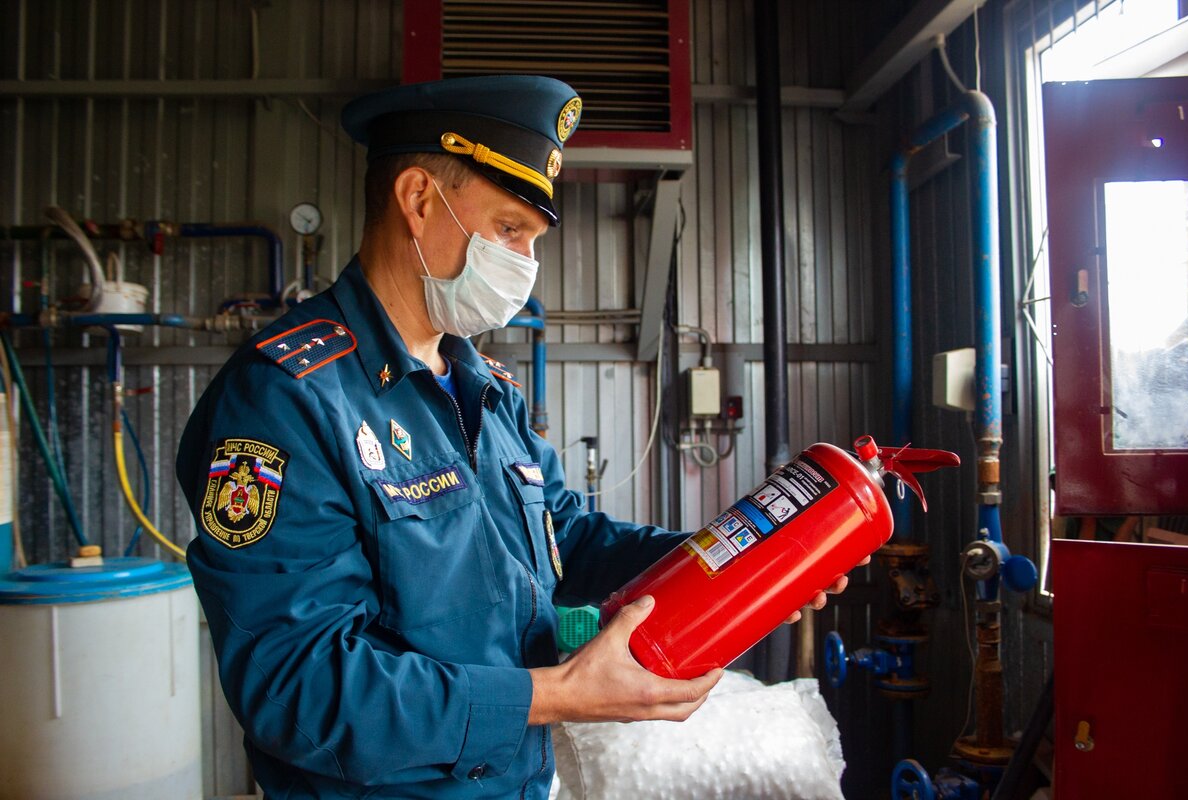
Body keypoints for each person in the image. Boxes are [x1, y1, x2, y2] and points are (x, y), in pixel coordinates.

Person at [177, 75, 853, 799]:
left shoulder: (486, 390)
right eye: (507, 230)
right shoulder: (286, 399)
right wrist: (555, 696)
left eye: (533, 240)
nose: (525, 266)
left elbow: (573, 542)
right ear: (417, 199)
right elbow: (297, 687)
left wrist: (742, 562)